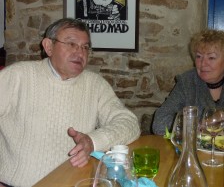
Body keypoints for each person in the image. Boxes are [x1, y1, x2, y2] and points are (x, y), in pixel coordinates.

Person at [0, 18, 140, 187]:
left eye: (85, 47)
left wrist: (93, 141)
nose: (80, 52)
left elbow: (129, 123)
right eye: (71, 44)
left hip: (75, 183)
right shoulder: (18, 76)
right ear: (48, 47)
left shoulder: (94, 84)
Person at [152, 29, 224, 136]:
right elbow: (159, 124)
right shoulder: (187, 82)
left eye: (211, 57)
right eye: (199, 56)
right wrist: (206, 123)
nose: (203, 63)